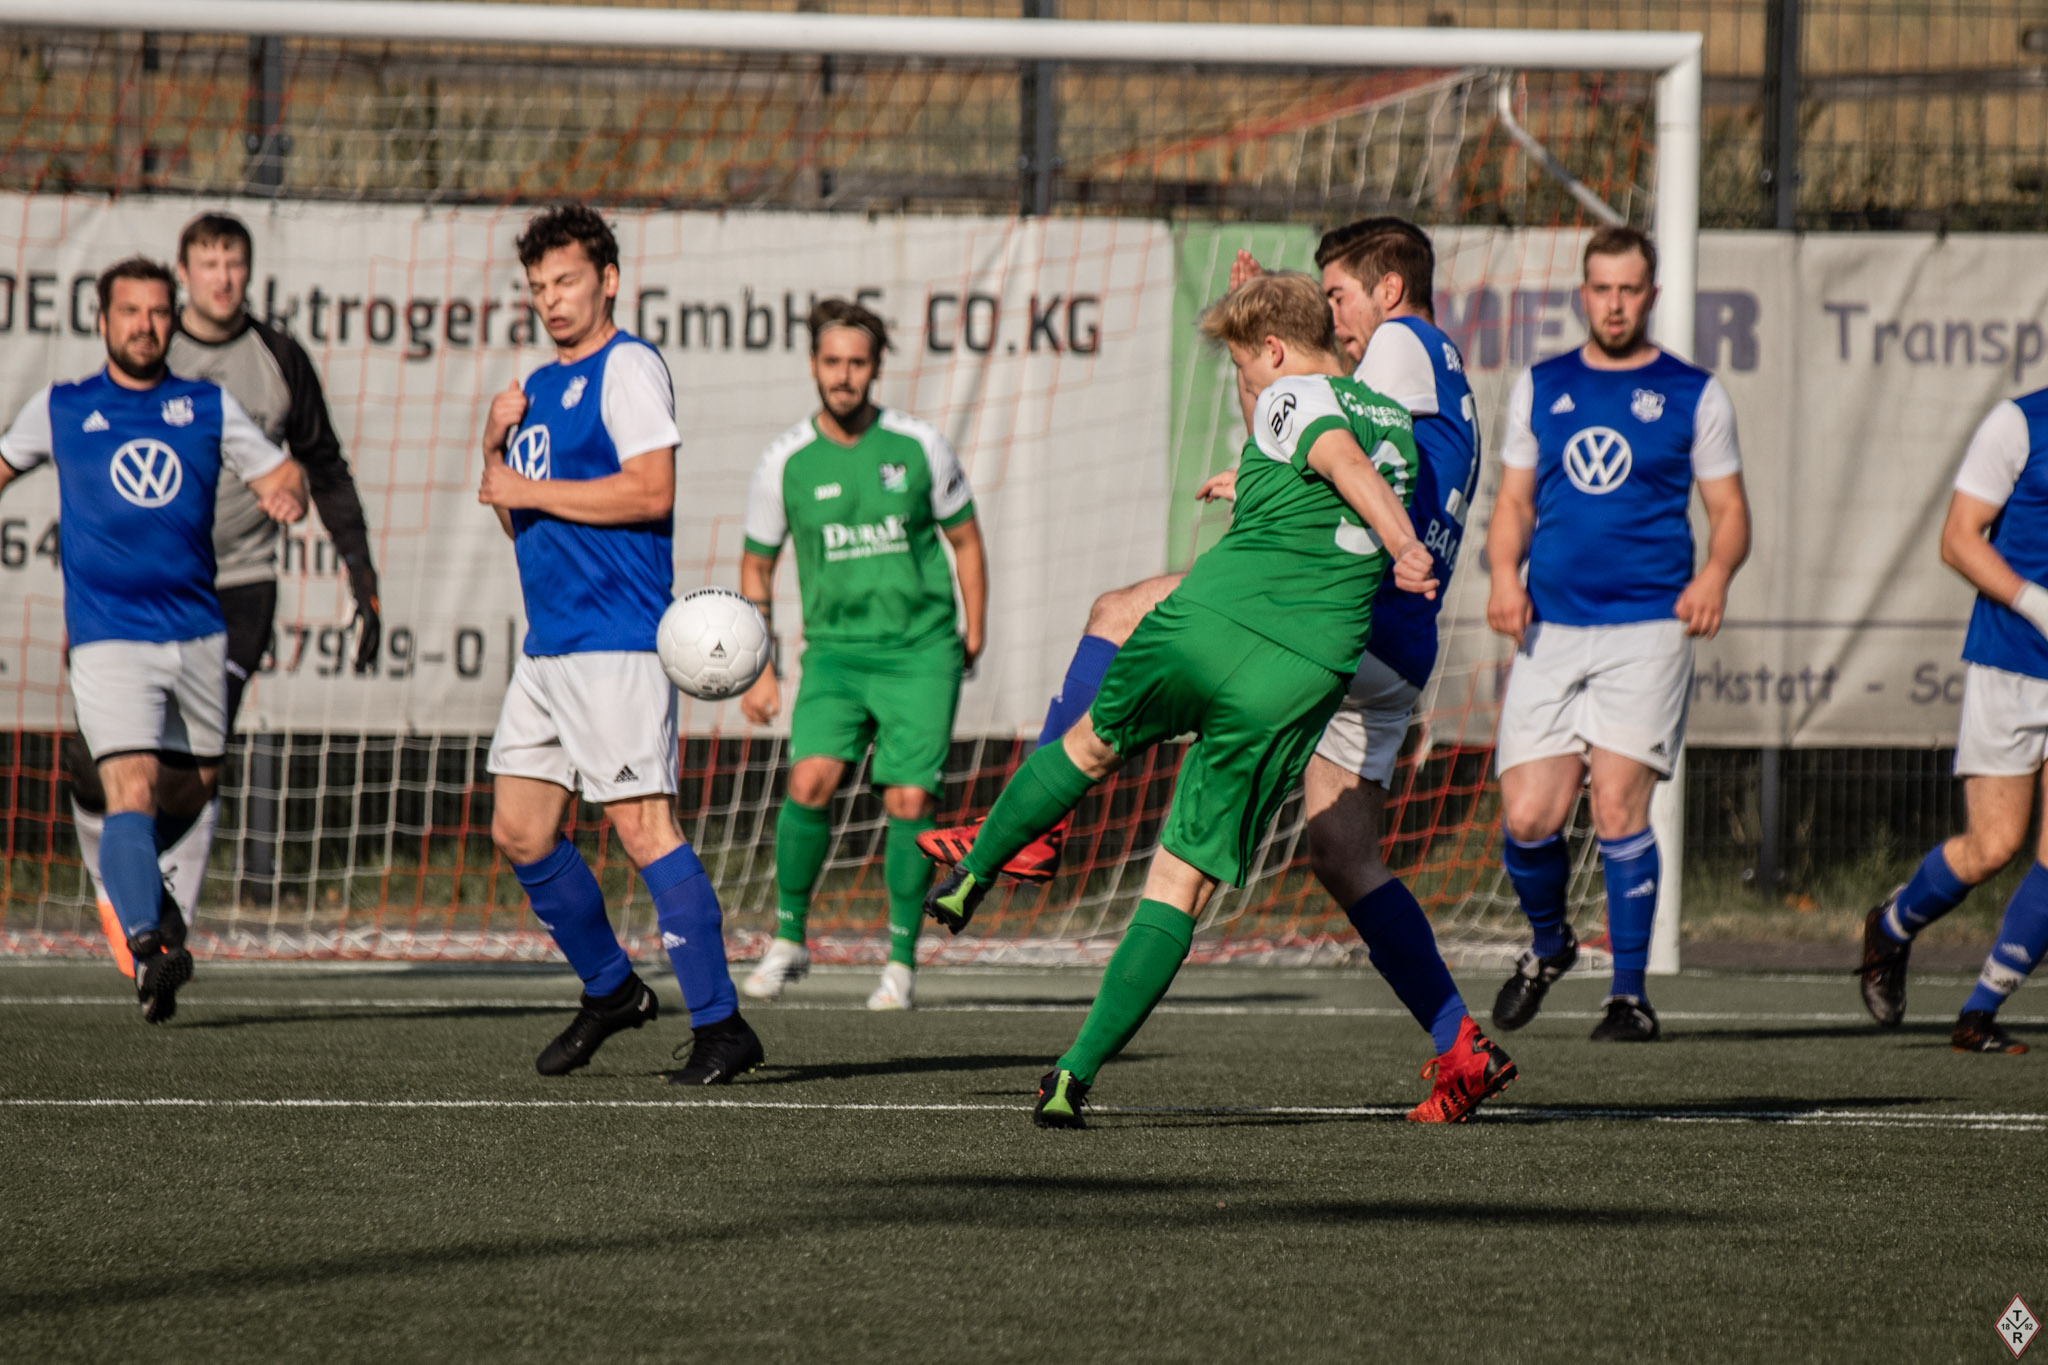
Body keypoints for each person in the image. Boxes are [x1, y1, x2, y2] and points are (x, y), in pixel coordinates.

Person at [923, 218, 1511, 1122]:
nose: (1337, 316)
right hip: (1395, 649)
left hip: (1335, 609)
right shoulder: (1439, 379)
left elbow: (1329, 426)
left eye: (1339, 295)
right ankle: (1457, 1039)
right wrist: (1262, 331)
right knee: (1345, 855)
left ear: (1389, 292)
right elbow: (1322, 422)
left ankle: (1034, 829)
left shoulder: (1399, 343)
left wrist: (1381, 524)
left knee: (1116, 613)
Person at [478, 202, 759, 1083]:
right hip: (550, 647)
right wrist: (495, 452)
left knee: (643, 828)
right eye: (538, 286)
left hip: (617, 640)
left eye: (566, 280)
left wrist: (525, 485)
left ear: (608, 280)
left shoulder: (627, 365)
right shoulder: (534, 387)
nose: (551, 299)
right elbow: (519, 517)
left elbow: (649, 491)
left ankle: (721, 1024)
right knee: (521, 830)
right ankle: (612, 990)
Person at [0, 257, 308, 1022]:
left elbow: (283, 475)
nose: (145, 325)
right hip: (108, 635)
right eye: (130, 311)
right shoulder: (63, 406)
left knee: (194, 786)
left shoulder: (206, 404)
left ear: (174, 320)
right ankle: (149, 941)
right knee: (130, 787)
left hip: (197, 628)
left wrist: (285, 490)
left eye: (158, 312)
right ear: (102, 319)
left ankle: (133, 875)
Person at [1485, 225, 1750, 1043]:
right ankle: (1549, 945)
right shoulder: (1543, 385)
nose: (1614, 303)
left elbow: (1730, 511)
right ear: (1583, 293)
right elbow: (1515, 500)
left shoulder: (1694, 393)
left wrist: (1715, 575)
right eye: (1601, 288)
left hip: (1648, 628)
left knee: (1616, 805)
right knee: (1529, 816)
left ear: (1652, 295)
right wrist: (1503, 575)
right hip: (1552, 626)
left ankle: (1628, 997)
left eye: (1629, 289)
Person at [736, 298, 987, 1012]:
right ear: (813, 366)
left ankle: (901, 963)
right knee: (809, 779)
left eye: (856, 362)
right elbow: (756, 567)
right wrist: (760, 668)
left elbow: (966, 540)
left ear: (875, 368)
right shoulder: (784, 461)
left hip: (920, 650)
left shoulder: (918, 446)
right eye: (832, 362)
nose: (843, 375)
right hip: (835, 656)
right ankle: (789, 938)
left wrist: (975, 628)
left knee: (910, 799)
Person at [1854, 388, 2048, 1054]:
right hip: (2011, 661)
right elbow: (1958, 540)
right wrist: (2038, 605)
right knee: (1992, 846)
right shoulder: (2020, 423)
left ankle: (1979, 1013)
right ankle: (1891, 927)